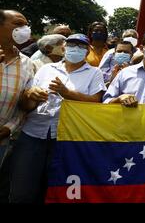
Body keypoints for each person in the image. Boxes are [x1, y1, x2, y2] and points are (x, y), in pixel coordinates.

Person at [10, 34, 106, 203]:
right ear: (63, 48)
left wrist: (66, 93)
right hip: (33, 132)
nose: (75, 49)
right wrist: (31, 95)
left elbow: (96, 102)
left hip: (66, 137)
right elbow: (26, 104)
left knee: (55, 186)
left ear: (88, 51)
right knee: (22, 187)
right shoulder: (46, 69)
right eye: (71, 45)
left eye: (81, 46)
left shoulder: (94, 73)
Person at [0, 10, 35, 167]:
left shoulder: (27, 64)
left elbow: (24, 105)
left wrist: (9, 128)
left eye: (26, 25)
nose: (25, 29)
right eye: (18, 24)